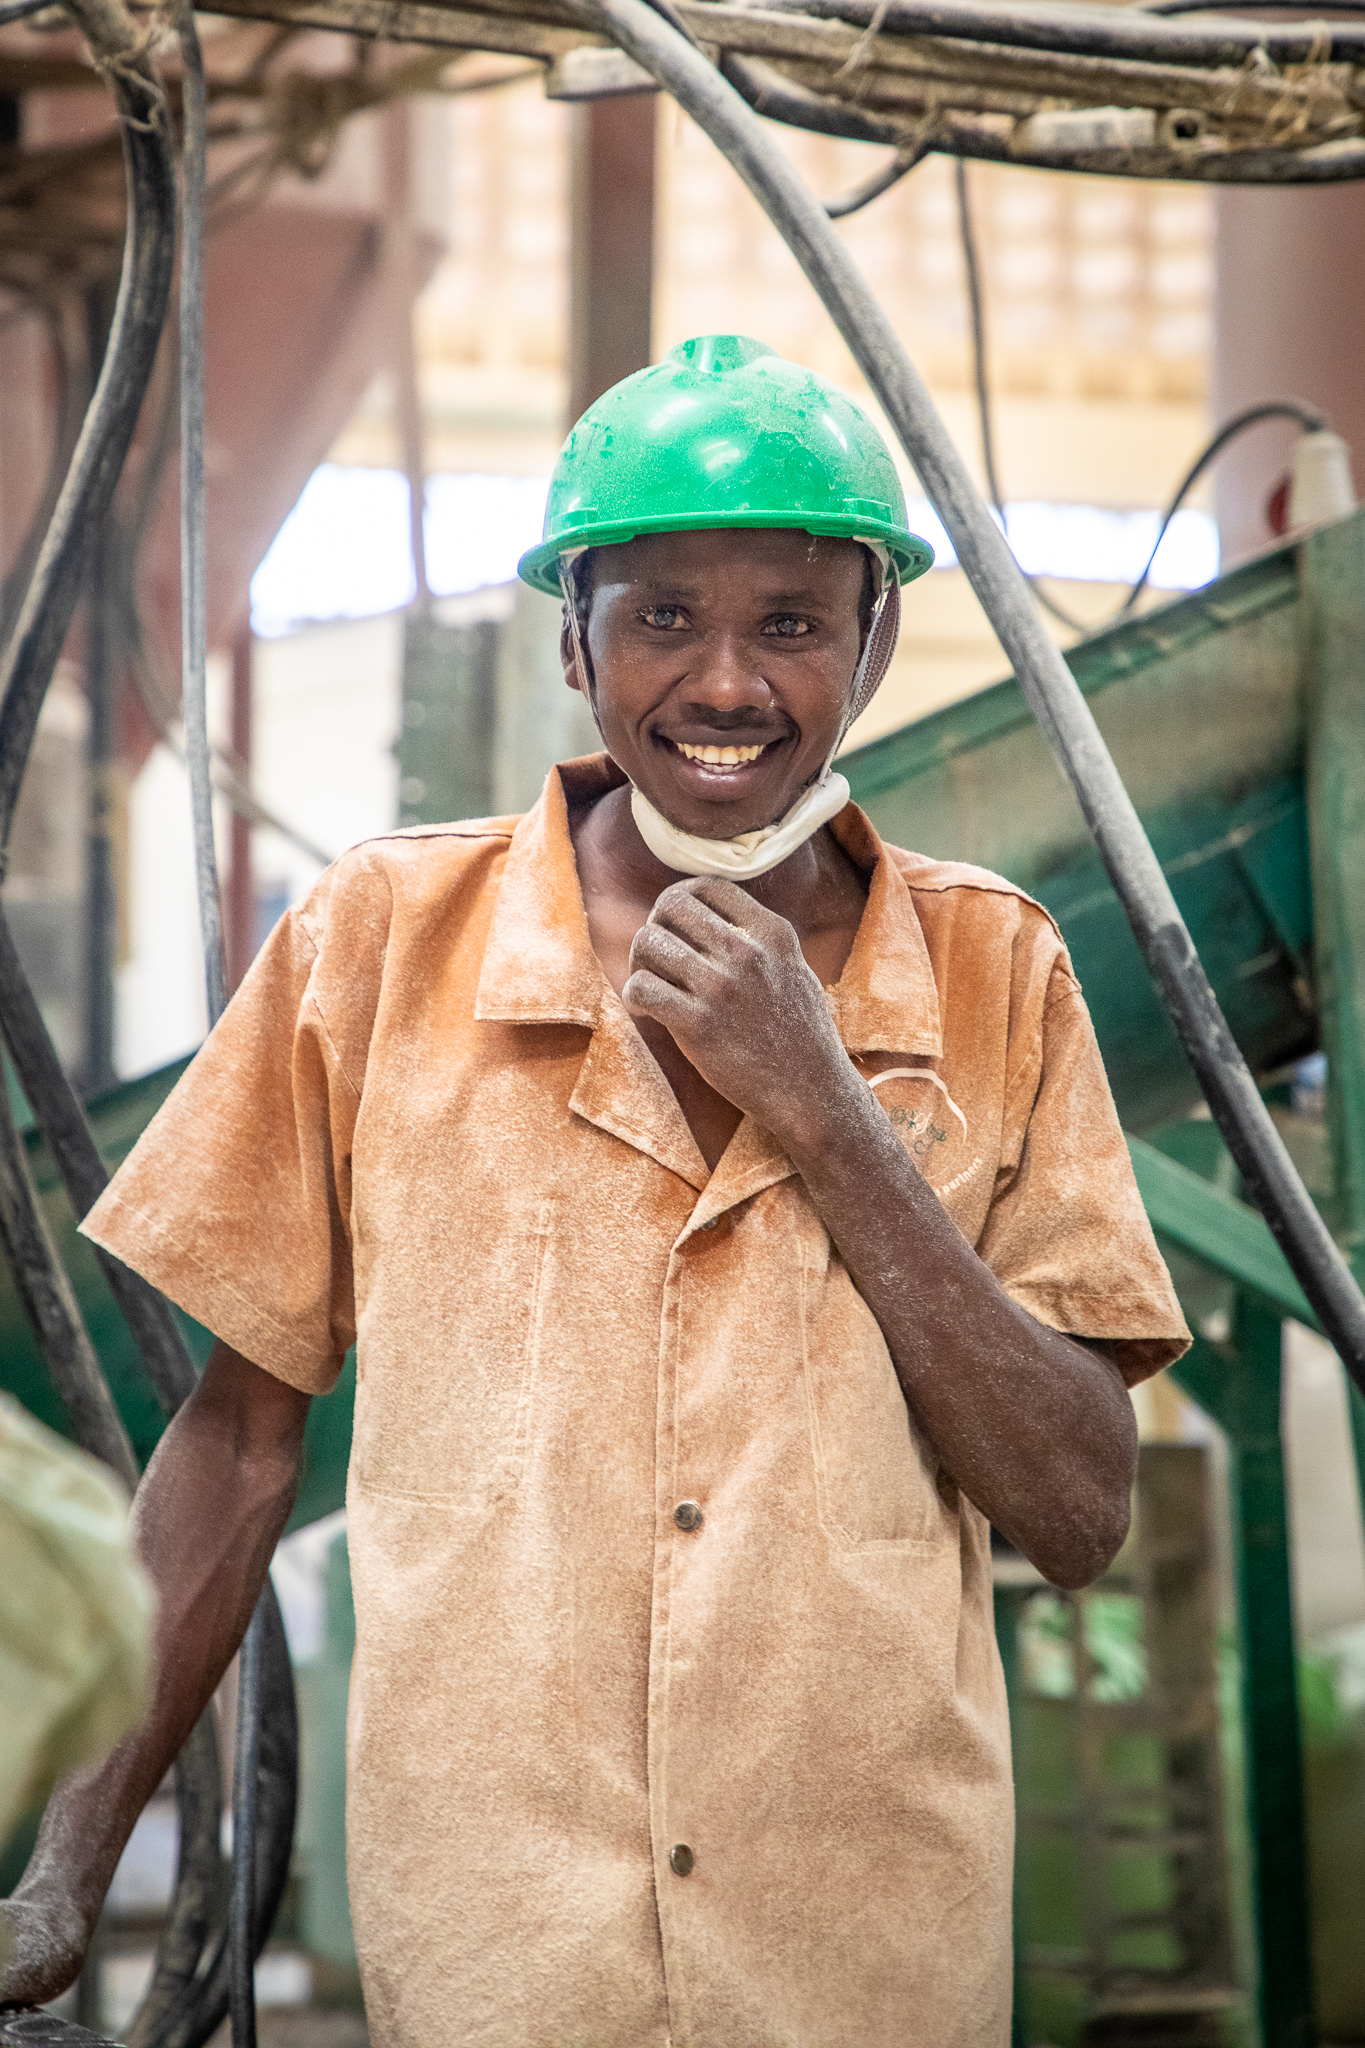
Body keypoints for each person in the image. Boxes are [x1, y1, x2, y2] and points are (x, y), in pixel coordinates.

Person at [0, 333, 1189, 2048]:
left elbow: (1077, 1512)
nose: (724, 683)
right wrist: (60, 1872)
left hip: (858, 1955)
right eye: (658, 618)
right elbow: (239, 1446)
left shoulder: (999, 973)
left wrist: (829, 1111)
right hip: (501, 1953)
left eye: (788, 621)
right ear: (573, 638)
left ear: (872, 639)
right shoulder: (381, 943)